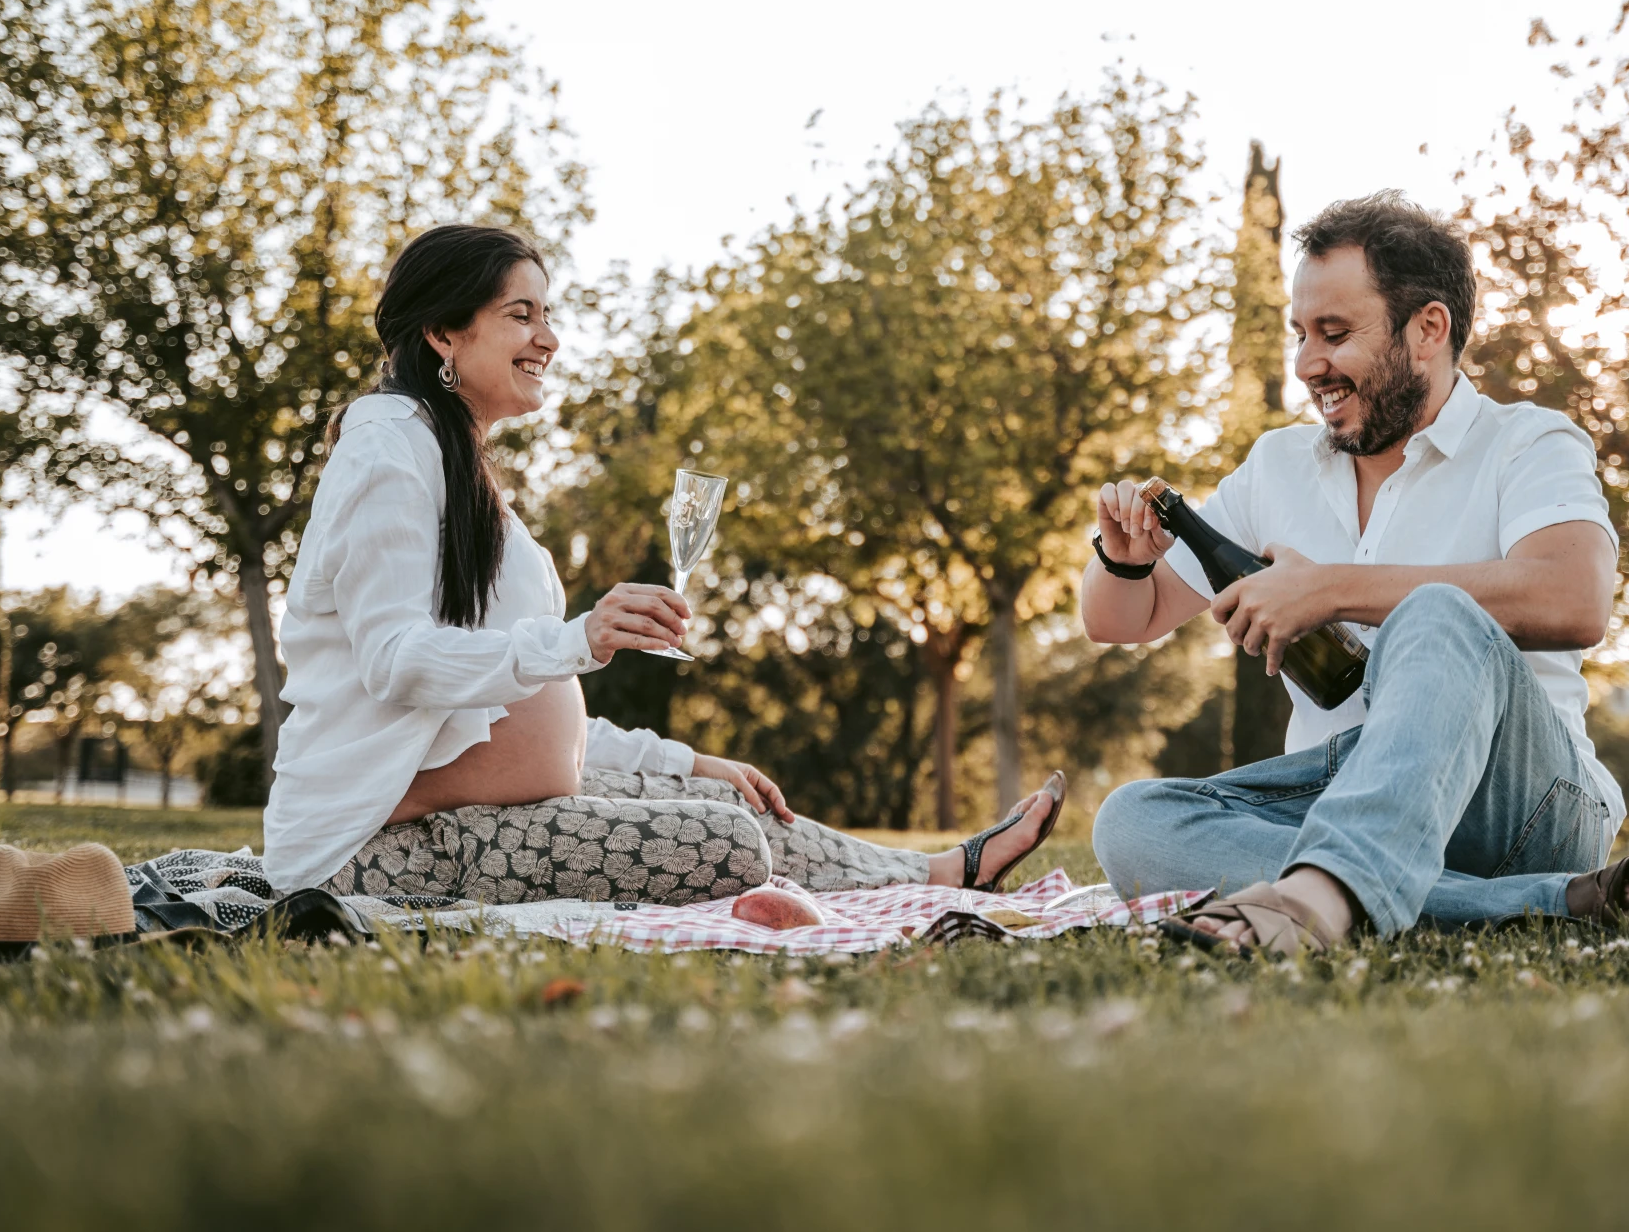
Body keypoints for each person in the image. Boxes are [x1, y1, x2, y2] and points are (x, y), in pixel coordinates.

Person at [263, 224, 1061, 905]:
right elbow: (396, 662)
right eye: (520, 315)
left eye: (549, 314)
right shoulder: (385, 450)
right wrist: (580, 638)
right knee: (725, 844)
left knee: (722, 793)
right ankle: (925, 875)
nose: (549, 337)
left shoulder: (457, 466)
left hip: (469, 804)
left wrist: (687, 760)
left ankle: (941, 872)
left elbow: (527, 714)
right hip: (365, 847)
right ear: (443, 332)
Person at [1084, 193, 1629, 957]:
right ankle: (1537, 908)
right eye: (1299, 335)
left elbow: (1575, 596)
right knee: (1132, 821)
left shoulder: (1530, 442)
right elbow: (1121, 620)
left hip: (1521, 801)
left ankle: (1317, 898)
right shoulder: (1279, 467)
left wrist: (1328, 589)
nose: (1306, 364)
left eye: (1334, 333)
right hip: (1339, 786)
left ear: (1427, 330)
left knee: (1438, 613)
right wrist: (1123, 560)